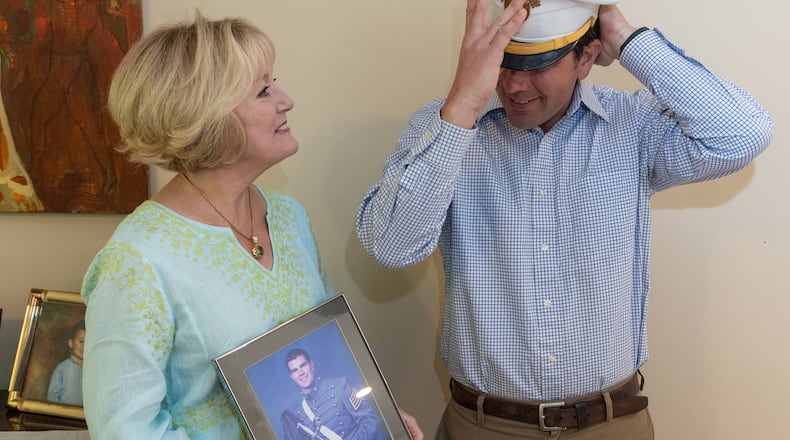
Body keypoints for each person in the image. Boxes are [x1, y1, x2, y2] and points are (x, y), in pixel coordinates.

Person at [356, 0, 774, 438]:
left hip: (610, 423)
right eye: (501, 60)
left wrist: (621, 34)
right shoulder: (444, 127)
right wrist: (462, 104)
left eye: (538, 64)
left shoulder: (631, 125)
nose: (514, 83)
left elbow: (742, 133)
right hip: (484, 425)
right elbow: (391, 247)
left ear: (587, 57)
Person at [79, 12, 423, 440]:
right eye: (263, 91)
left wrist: (378, 420)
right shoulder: (137, 262)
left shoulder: (288, 216)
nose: (286, 99)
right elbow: (123, 431)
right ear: (205, 118)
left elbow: (327, 351)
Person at [280, 348, 387, 440]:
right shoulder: (298, 413)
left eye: (303, 365)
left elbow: (370, 421)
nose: (300, 373)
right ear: (292, 377)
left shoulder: (340, 386)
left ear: (311, 365)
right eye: (295, 370)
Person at [47, 320, 85, 405]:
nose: (84, 346)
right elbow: (53, 396)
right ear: (71, 343)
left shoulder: (96, 369)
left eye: (89, 342)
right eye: (81, 341)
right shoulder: (62, 368)